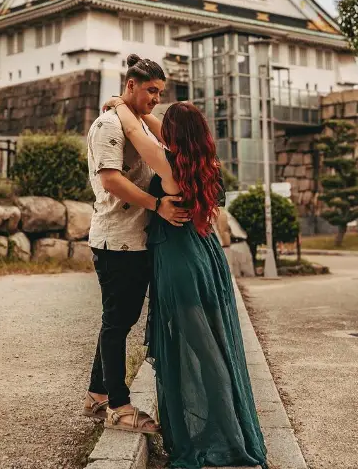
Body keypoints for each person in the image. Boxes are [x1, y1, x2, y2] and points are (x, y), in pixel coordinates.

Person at [102, 95, 268, 469]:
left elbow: (133, 131)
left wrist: (121, 105)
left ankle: (226, 435)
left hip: (182, 264)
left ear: (175, 136)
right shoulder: (205, 161)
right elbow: (165, 131)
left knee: (203, 350)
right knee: (212, 345)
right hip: (208, 258)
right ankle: (229, 425)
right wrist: (148, 113)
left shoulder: (168, 165)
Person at [83, 54, 190, 435]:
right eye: (150, 91)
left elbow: (165, 139)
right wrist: (156, 205)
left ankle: (97, 394)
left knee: (120, 320)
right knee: (117, 324)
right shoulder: (108, 126)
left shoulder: (135, 123)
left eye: (160, 93)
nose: (155, 99)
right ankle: (117, 405)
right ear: (131, 85)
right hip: (117, 241)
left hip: (136, 239)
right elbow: (110, 179)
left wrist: (137, 111)